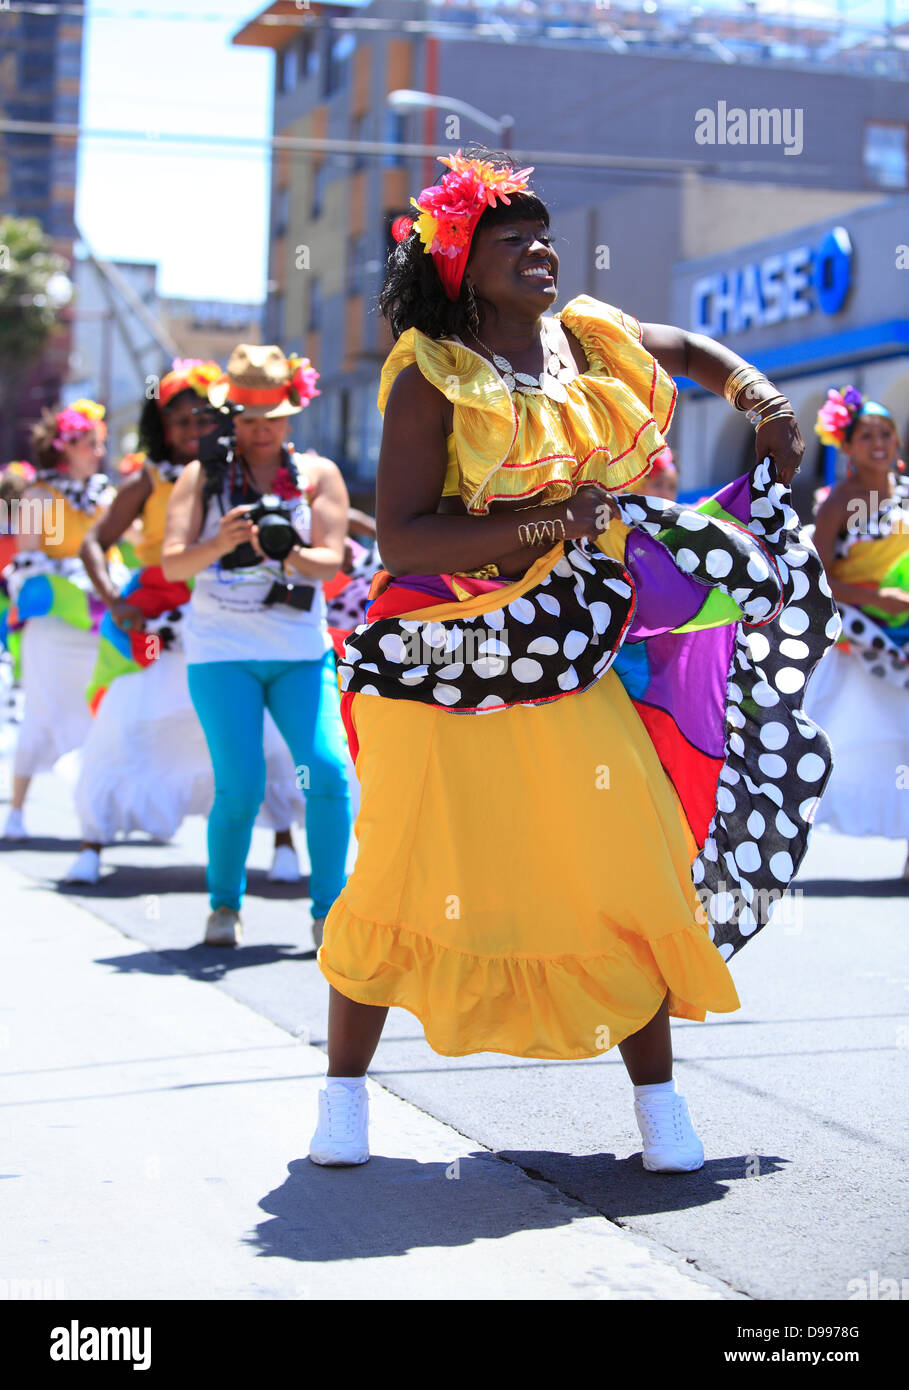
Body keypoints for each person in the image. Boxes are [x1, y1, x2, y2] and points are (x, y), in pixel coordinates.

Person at [309, 149, 838, 1171]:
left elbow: (681, 345)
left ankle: (659, 1112)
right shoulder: (433, 374)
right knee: (405, 871)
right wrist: (549, 522)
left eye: (543, 235)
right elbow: (406, 540)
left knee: (627, 857)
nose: (540, 251)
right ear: (463, 264)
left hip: (571, 644)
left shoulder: (584, 339)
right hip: (443, 657)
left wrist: (760, 395)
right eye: (513, 240)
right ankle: (342, 1098)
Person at [63, 360, 307, 885]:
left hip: (233, 619)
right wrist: (114, 600)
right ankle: (92, 841)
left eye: (203, 418)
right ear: (161, 427)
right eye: (180, 421)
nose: (193, 429)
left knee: (266, 733)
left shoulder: (249, 472)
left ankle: (285, 839)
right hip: (157, 625)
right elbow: (93, 544)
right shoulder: (149, 480)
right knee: (128, 723)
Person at [162, 344, 352, 948]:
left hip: (300, 651)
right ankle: (224, 907)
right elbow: (171, 565)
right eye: (247, 419)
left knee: (327, 771)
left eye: (272, 418)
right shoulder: (202, 474)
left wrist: (285, 550)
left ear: (290, 416)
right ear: (230, 418)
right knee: (240, 784)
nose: (260, 431)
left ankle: (332, 914)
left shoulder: (317, 475)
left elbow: (333, 561)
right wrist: (219, 542)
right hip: (223, 654)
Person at [803, 387, 909, 875]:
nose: (879, 442)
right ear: (847, 446)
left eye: (885, 432)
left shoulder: (905, 496)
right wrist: (878, 600)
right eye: (866, 434)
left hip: (904, 632)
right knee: (854, 736)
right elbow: (818, 575)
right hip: (863, 641)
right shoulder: (842, 501)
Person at [2, 401, 118, 839]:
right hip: (53, 626)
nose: (98, 453)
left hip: (97, 624)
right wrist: (81, 586)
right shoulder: (41, 496)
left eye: (101, 445)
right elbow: (33, 560)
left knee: (100, 715)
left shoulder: (107, 497)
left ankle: (94, 813)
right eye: (91, 444)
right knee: (43, 713)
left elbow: (119, 552)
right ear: (66, 447)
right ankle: (16, 810)